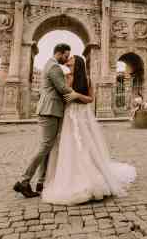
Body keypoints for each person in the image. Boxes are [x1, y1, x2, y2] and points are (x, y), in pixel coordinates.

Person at [40, 54, 136, 205]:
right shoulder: (64, 77)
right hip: (68, 116)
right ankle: (68, 177)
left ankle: (88, 177)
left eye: (71, 60)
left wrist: (76, 95)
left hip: (81, 115)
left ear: (77, 63)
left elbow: (90, 99)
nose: (68, 61)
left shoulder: (87, 79)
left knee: (85, 146)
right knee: (68, 146)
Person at [14, 43, 80, 198]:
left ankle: (41, 182)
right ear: (59, 53)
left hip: (51, 110)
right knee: (45, 147)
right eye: (66, 55)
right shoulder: (55, 67)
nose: (67, 58)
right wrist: (80, 95)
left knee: (48, 147)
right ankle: (24, 181)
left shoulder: (50, 65)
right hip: (50, 110)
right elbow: (63, 89)